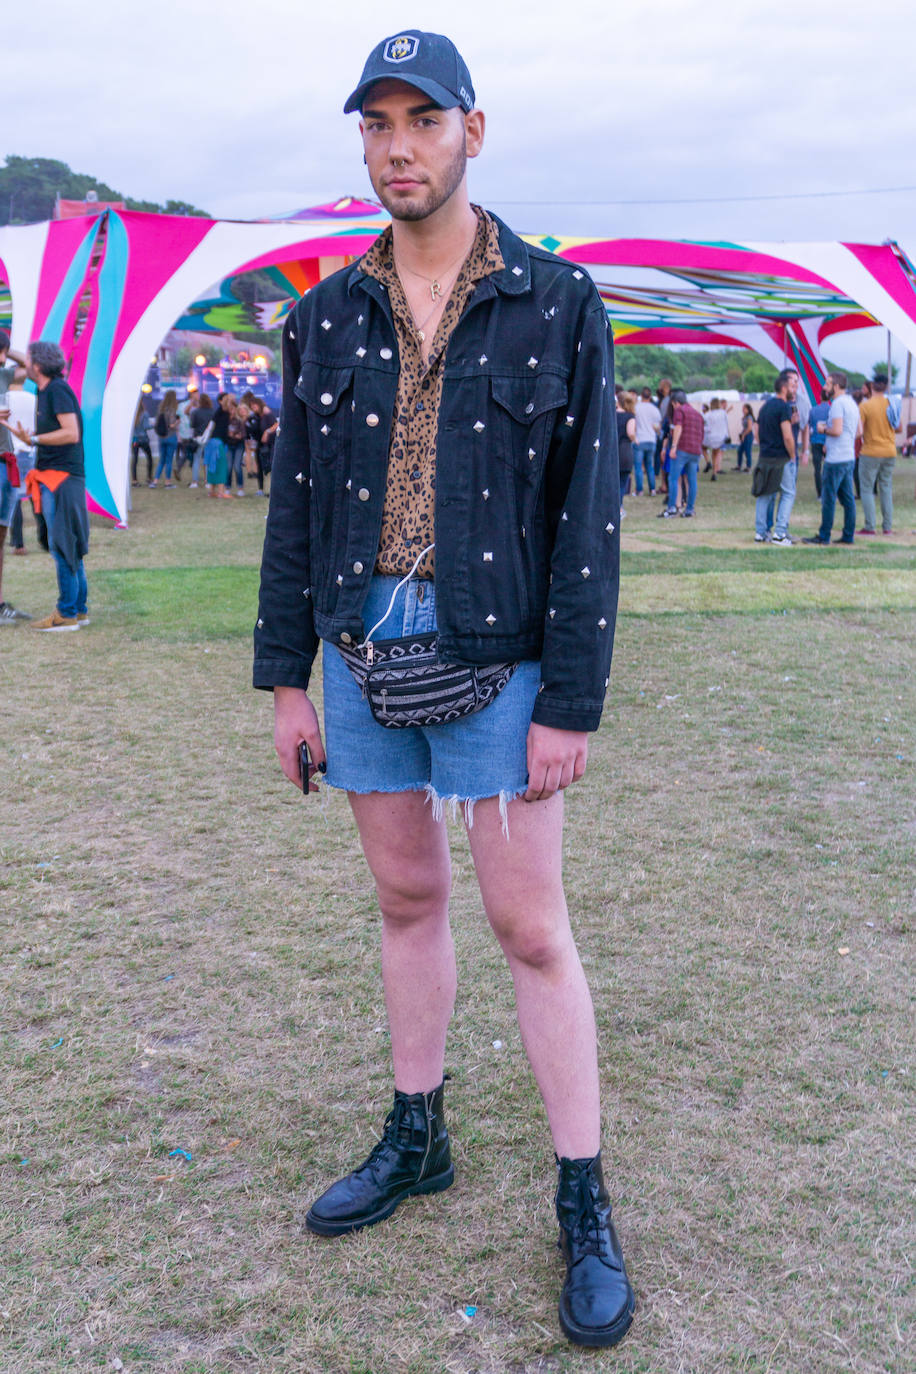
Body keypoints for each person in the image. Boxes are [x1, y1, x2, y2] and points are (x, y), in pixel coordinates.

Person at [253, 30, 634, 1350]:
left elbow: (588, 516)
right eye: (378, 125)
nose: (398, 147)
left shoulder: (556, 299)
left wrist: (570, 702)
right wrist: (284, 681)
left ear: (477, 129)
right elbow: (293, 511)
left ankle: (582, 1196)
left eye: (423, 120)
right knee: (407, 899)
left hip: (504, 644)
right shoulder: (323, 312)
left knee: (530, 925)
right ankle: (418, 1134)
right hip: (361, 643)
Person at [8, 340, 89, 630]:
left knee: (62, 545)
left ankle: (66, 613)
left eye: (27, 360)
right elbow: (23, 362)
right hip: (56, 477)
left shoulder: (57, 390)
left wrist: (34, 440)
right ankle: (78, 609)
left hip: (61, 478)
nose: (22, 364)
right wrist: (6, 350)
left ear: (38, 366)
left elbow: (71, 433)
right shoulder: (45, 386)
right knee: (69, 545)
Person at [803, 371, 859, 545]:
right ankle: (848, 535)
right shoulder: (852, 403)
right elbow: (859, 432)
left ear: (836, 386)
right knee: (848, 500)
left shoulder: (837, 405)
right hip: (848, 456)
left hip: (835, 460)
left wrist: (823, 430)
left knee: (828, 498)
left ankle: (824, 535)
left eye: (827, 384)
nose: (824, 387)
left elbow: (836, 430)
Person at [0, 330, 32, 622]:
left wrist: (6, 349)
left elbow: (33, 367)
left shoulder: (3, 377)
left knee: (1, 532)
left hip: (6, 460)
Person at [751, 370, 798, 545]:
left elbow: (757, 430)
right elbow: (787, 436)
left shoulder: (765, 406)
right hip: (780, 459)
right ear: (784, 388)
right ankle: (780, 533)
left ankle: (761, 532)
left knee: (765, 494)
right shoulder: (783, 407)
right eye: (793, 386)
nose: (795, 389)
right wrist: (792, 456)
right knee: (788, 493)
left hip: (765, 456)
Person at [857, 374, 900, 535]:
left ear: (872, 386)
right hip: (890, 450)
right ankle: (887, 527)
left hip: (870, 451)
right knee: (886, 487)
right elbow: (898, 426)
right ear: (887, 386)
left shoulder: (865, 406)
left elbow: (859, 431)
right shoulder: (892, 404)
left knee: (867, 489)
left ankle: (870, 526)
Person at [659, 388, 703, 518]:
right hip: (695, 451)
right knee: (692, 480)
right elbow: (701, 433)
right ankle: (690, 509)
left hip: (682, 449)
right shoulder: (697, 414)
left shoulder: (680, 411)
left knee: (673, 478)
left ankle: (672, 508)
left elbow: (678, 427)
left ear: (675, 402)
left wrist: (673, 446)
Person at [632, 386, 659, 495]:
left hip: (639, 439)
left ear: (641, 396)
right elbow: (657, 426)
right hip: (651, 439)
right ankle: (652, 489)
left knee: (638, 466)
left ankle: (639, 490)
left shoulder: (636, 408)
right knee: (650, 466)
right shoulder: (654, 409)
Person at [150, 390, 179, 487]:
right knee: (169, 460)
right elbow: (171, 425)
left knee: (161, 460)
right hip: (171, 436)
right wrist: (177, 422)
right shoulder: (172, 410)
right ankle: (168, 482)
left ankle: (155, 481)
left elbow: (156, 423)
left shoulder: (160, 408)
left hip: (161, 437)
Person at [616, 390, 636, 516]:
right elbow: (631, 432)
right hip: (624, 450)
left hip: (612, 449)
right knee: (622, 482)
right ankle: (619, 507)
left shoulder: (611, 414)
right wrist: (635, 440)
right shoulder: (630, 416)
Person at [807, 386, 830, 497]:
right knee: (829, 467)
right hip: (829, 441)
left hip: (816, 441)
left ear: (820, 397)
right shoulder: (832, 409)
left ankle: (820, 494)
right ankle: (828, 491)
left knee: (817, 469)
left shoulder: (813, 410)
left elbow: (810, 426)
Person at [703, 398, 729, 478]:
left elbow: (705, 426)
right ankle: (714, 472)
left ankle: (708, 462)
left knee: (703, 448)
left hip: (710, 437)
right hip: (720, 438)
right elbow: (726, 424)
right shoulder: (723, 413)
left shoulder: (708, 415)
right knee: (715, 454)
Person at [130, 398, 153, 486]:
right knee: (149, 458)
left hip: (135, 440)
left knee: (135, 459)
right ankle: (149, 478)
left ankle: (134, 480)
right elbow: (146, 426)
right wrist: (153, 425)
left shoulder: (132, 414)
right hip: (143, 439)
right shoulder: (144, 414)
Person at [734, 403, 755, 472]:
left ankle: (748, 467)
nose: (743, 410)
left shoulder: (749, 417)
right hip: (744, 434)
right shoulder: (744, 417)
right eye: (742, 408)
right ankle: (739, 466)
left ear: (748, 410)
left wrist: (744, 435)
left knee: (747, 451)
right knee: (740, 451)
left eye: (744, 408)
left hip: (748, 435)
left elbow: (749, 428)